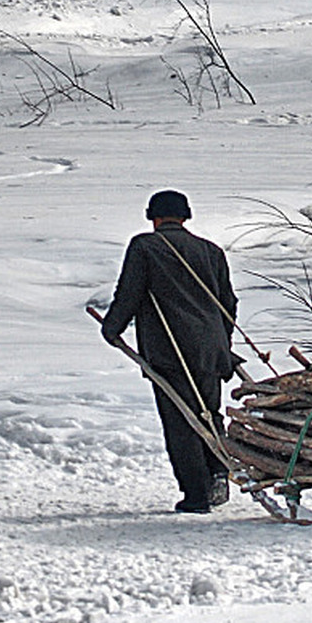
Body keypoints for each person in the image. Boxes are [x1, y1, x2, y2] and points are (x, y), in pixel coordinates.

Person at [101, 189, 238, 514]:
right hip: (212, 350)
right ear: (186, 217)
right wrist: (221, 342)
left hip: (171, 350)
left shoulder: (145, 246)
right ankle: (219, 471)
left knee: (181, 420)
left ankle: (196, 494)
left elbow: (129, 293)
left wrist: (112, 328)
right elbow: (228, 304)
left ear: (153, 218)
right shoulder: (211, 251)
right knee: (209, 413)